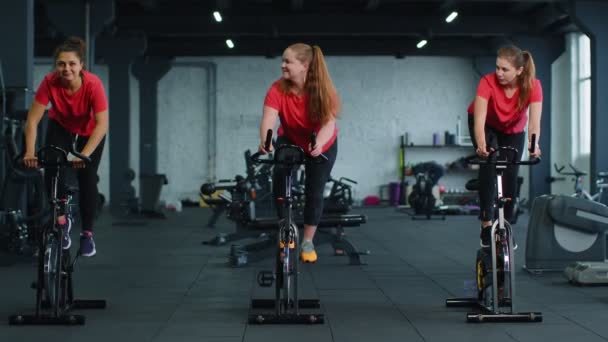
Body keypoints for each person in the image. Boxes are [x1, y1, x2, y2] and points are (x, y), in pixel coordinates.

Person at [23, 37, 109, 257]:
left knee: (87, 176)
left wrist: (85, 154)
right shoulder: (49, 82)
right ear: (56, 66)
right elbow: (32, 121)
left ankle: (87, 234)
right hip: (61, 126)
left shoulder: (93, 84)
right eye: (61, 64)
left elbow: (102, 124)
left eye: (72, 63)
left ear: (81, 66)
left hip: (90, 131)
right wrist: (30, 152)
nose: (66, 68)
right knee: (52, 166)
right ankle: (61, 220)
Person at [258, 43, 340, 263]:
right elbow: (269, 119)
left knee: (315, 189)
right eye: (282, 60)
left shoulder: (323, 90)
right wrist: (266, 141)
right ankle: (286, 230)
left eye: (287, 61)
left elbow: (328, 125)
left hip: (322, 142)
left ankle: (307, 242)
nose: (282, 65)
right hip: (291, 139)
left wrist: (319, 145)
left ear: (304, 65)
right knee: (279, 182)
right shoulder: (277, 89)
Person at [467, 44, 542, 248]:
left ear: (519, 70)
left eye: (505, 69)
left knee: (510, 177)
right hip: (486, 126)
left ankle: (506, 227)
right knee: (490, 164)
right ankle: (486, 224)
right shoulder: (487, 82)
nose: (498, 73)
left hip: (513, 131)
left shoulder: (533, 86)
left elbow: (534, 123)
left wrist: (534, 146)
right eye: (497, 67)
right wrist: (482, 146)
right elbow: (480, 120)